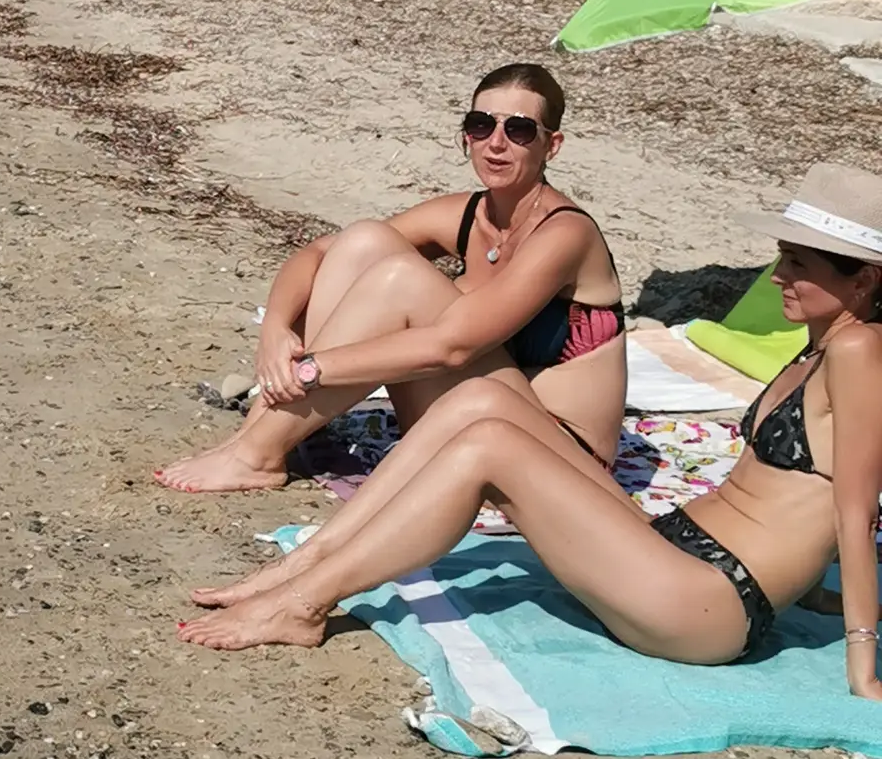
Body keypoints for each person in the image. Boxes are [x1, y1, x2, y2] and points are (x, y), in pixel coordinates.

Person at [177, 162, 882, 689]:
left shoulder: (858, 351)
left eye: (800, 263)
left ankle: (303, 603)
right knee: (480, 404)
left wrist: (860, 658)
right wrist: (809, 588)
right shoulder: (822, 335)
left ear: (865, 280)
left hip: (711, 603)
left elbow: (854, 508)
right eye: (782, 256)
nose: (777, 275)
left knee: (489, 443)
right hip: (676, 548)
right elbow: (803, 493)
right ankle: (296, 572)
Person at [156, 63, 626, 493]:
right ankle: (257, 437)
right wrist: (274, 331)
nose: (495, 143)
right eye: (481, 126)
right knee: (365, 240)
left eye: (519, 130)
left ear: (552, 145)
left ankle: (259, 450)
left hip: (558, 459)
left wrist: (309, 369)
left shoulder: (566, 233)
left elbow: (453, 347)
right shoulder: (468, 214)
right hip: (469, 420)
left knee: (401, 279)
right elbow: (323, 252)